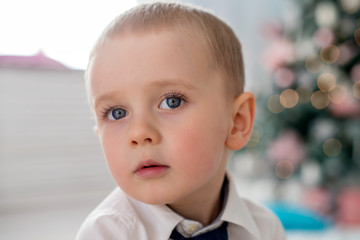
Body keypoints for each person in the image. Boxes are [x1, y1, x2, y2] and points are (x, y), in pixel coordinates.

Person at [76, 2, 286, 239]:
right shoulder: (105, 233)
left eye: (172, 101)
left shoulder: (265, 229)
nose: (138, 133)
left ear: (237, 121)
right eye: (116, 113)